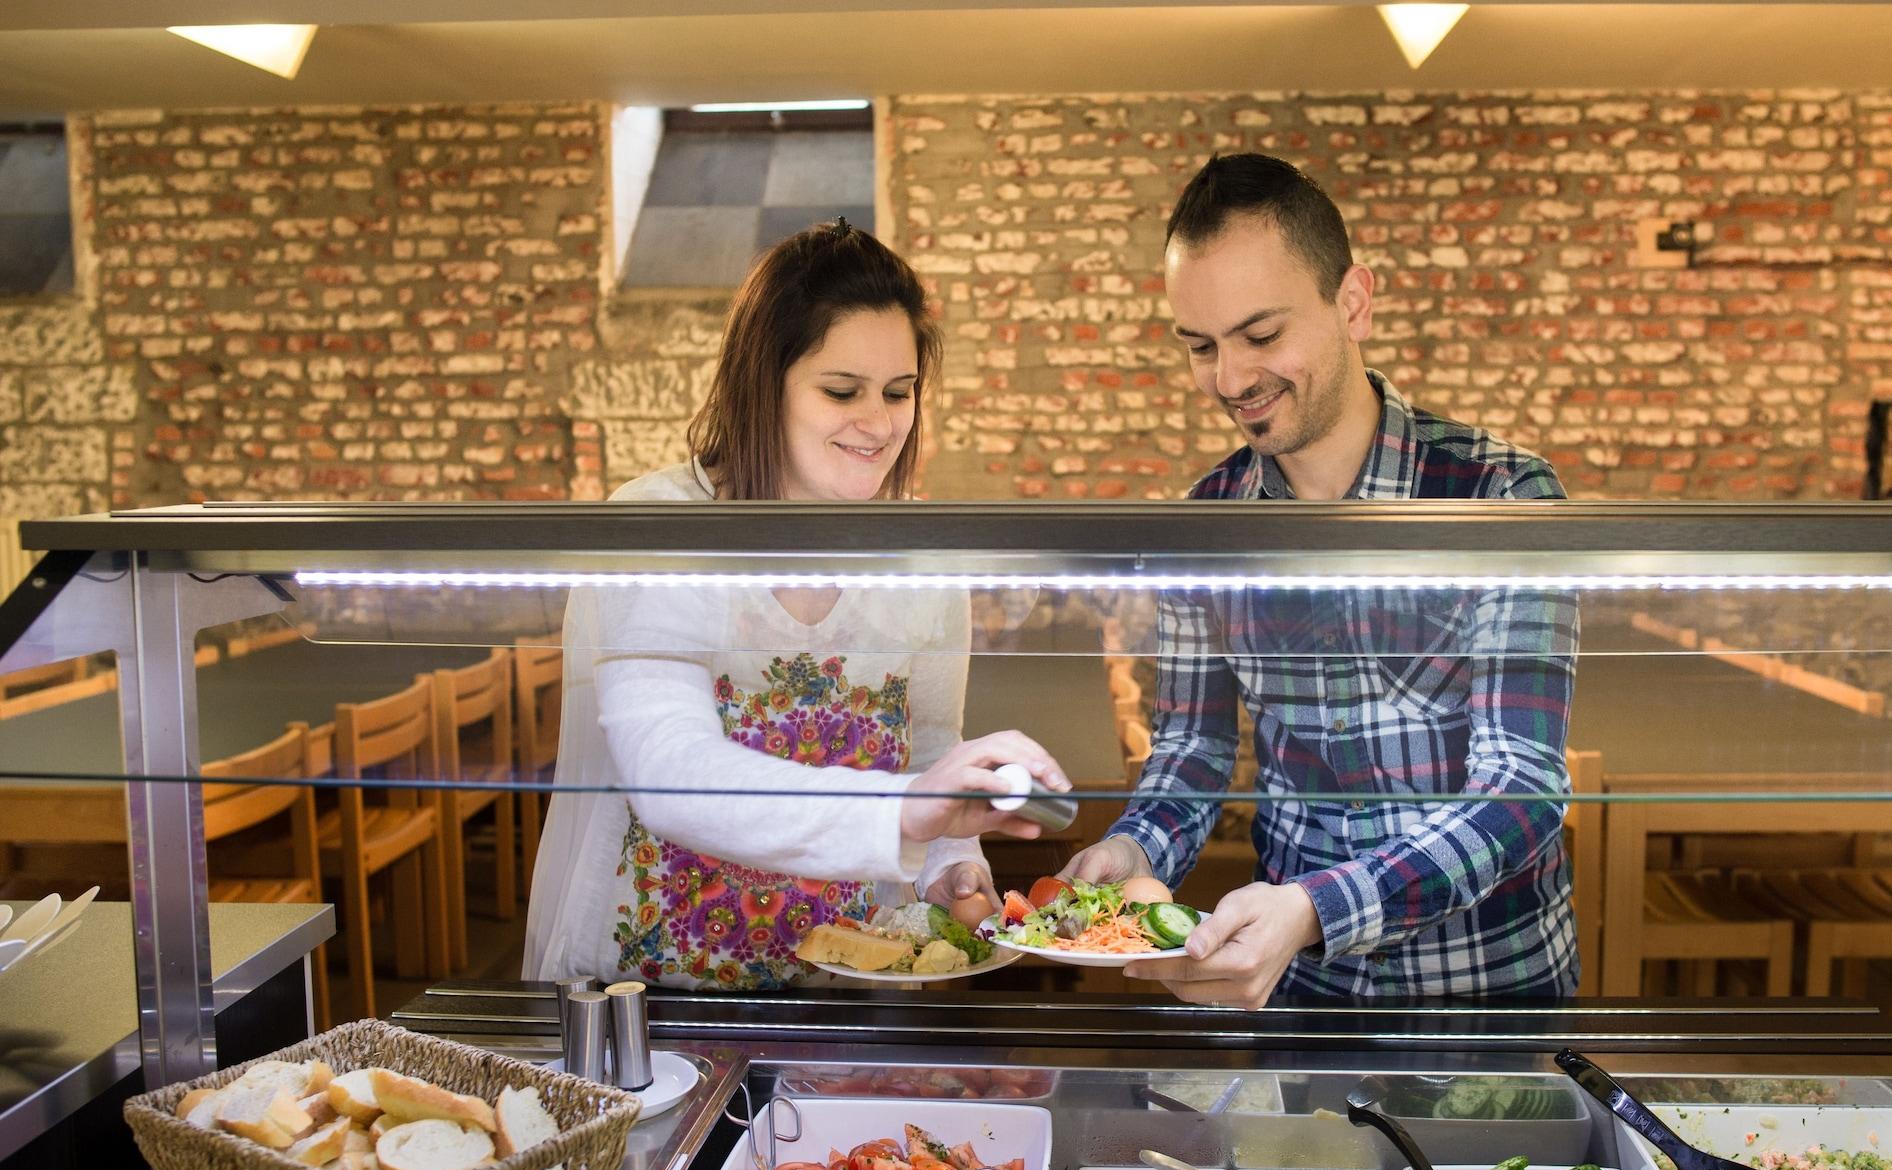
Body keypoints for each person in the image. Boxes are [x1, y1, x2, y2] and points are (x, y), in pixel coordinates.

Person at [1063, 154, 1579, 1009]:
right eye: (1201, 347)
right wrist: (1136, 849)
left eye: (1261, 336)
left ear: (1353, 302)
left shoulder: (1501, 495)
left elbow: (1522, 789)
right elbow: (1192, 748)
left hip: (1491, 997)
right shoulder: (1209, 519)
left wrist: (1315, 907)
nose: (1230, 380)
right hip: (1300, 999)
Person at [524, 220, 1069, 989]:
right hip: (651, 997)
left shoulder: (924, 565)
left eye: (899, 392)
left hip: (840, 988)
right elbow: (672, 772)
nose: (878, 423)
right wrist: (909, 809)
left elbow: (926, 751)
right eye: (841, 391)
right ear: (764, 381)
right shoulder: (657, 526)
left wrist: (949, 863)